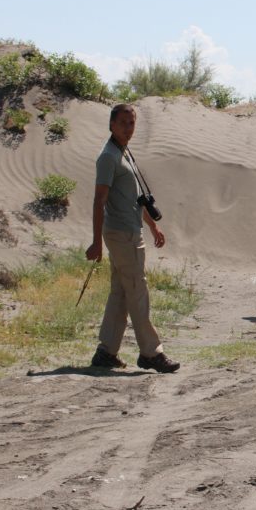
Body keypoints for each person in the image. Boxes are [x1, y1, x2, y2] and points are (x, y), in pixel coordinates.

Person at [86, 104, 180, 373]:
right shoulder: (108, 157)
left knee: (121, 292)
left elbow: (135, 199)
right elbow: (99, 199)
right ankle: (151, 352)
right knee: (138, 291)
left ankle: (106, 351)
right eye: (124, 122)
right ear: (111, 125)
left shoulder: (123, 152)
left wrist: (152, 227)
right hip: (122, 234)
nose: (129, 127)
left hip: (130, 230)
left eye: (132, 123)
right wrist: (95, 242)